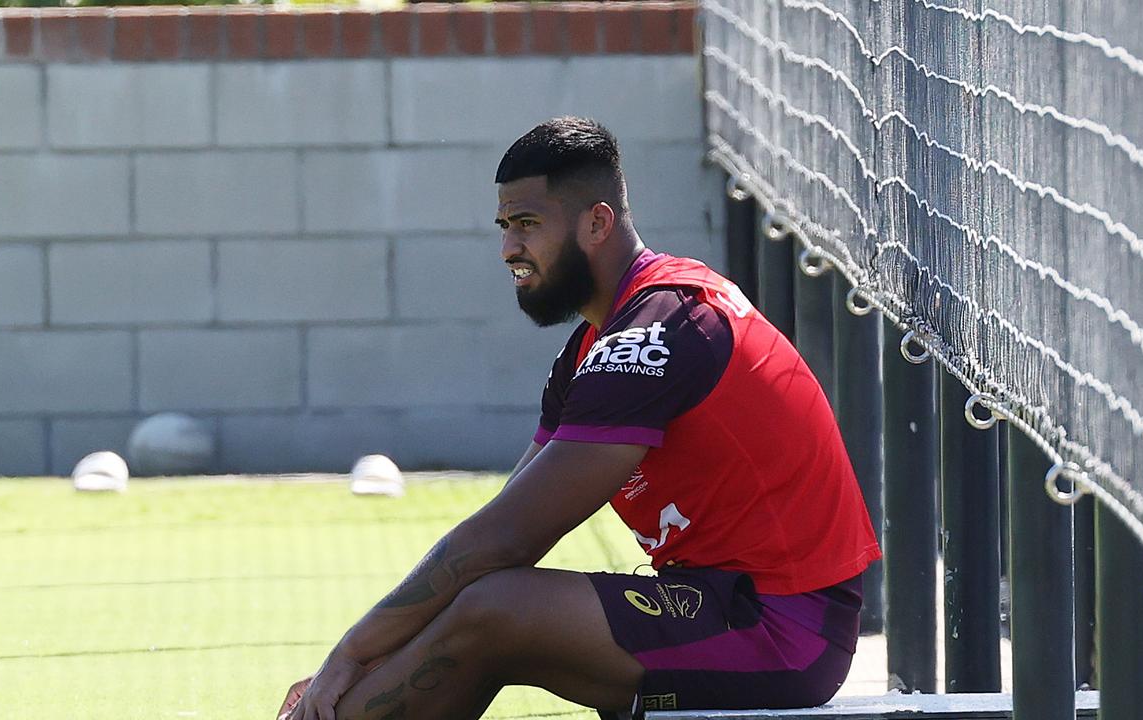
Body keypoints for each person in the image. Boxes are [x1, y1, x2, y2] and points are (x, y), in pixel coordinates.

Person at [278, 117, 881, 720]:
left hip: (783, 630)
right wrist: (385, 658)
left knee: (498, 609)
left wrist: (352, 654)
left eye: (528, 225)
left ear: (597, 222)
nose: (509, 248)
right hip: (714, 603)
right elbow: (507, 520)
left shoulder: (661, 329)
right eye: (505, 226)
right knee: (489, 604)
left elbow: (511, 538)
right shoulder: (595, 347)